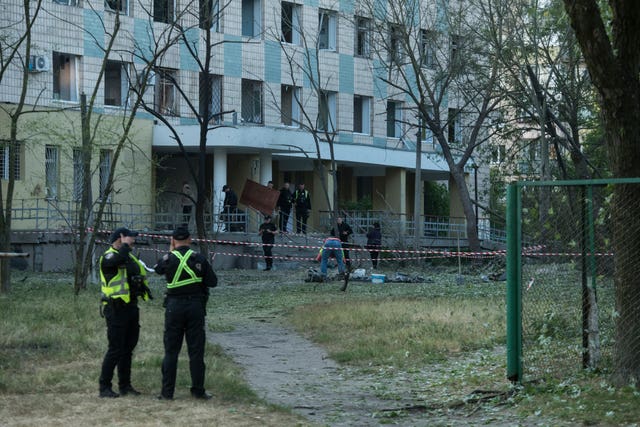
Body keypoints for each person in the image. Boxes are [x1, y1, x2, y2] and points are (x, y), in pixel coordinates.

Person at [154, 226, 218, 400]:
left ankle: (167, 393)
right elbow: (213, 282)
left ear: (173, 241)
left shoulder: (168, 259)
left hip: (174, 307)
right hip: (195, 307)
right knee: (196, 351)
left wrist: (171, 251)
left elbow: (158, 270)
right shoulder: (199, 258)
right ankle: (198, 390)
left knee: (171, 351)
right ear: (190, 239)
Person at [98, 227, 152, 398]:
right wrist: (125, 246)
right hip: (116, 309)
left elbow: (137, 274)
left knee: (128, 348)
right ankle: (104, 387)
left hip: (131, 307)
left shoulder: (128, 257)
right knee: (115, 349)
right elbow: (117, 260)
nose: (133, 241)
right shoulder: (109, 256)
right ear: (120, 239)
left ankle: (125, 385)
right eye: (130, 238)